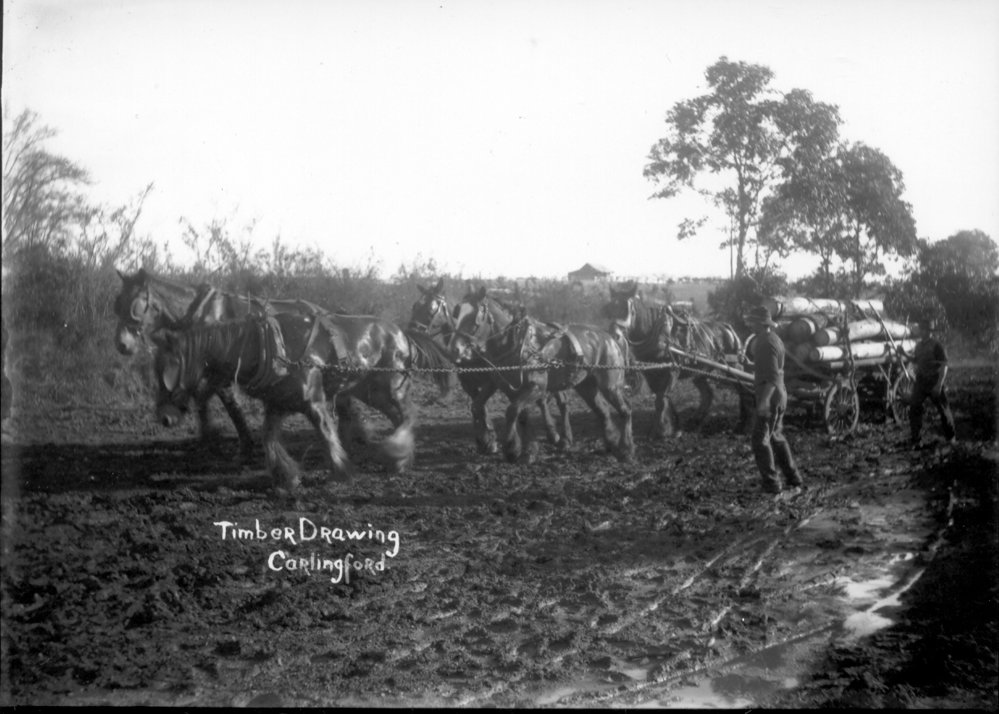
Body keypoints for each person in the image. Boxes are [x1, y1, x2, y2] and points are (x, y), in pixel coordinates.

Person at [746, 306, 803, 494]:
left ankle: (771, 483)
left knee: (760, 440)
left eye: (752, 321)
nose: (749, 324)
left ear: (760, 324)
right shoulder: (775, 339)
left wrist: (763, 402)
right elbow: (772, 368)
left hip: (770, 396)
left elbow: (770, 377)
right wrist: (749, 364)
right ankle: (794, 477)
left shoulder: (764, 343)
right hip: (780, 394)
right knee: (776, 437)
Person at [905, 318, 956, 449]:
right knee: (914, 407)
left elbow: (944, 365)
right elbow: (915, 360)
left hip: (934, 380)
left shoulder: (937, 345)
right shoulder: (919, 345)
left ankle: (951, 439)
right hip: (921, 381)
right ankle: (915, 438)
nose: (922, 332)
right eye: (921, 329)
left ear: (930, 331)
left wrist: (939, 385)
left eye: (925, 330)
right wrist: (903, 353)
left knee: (944, 411)